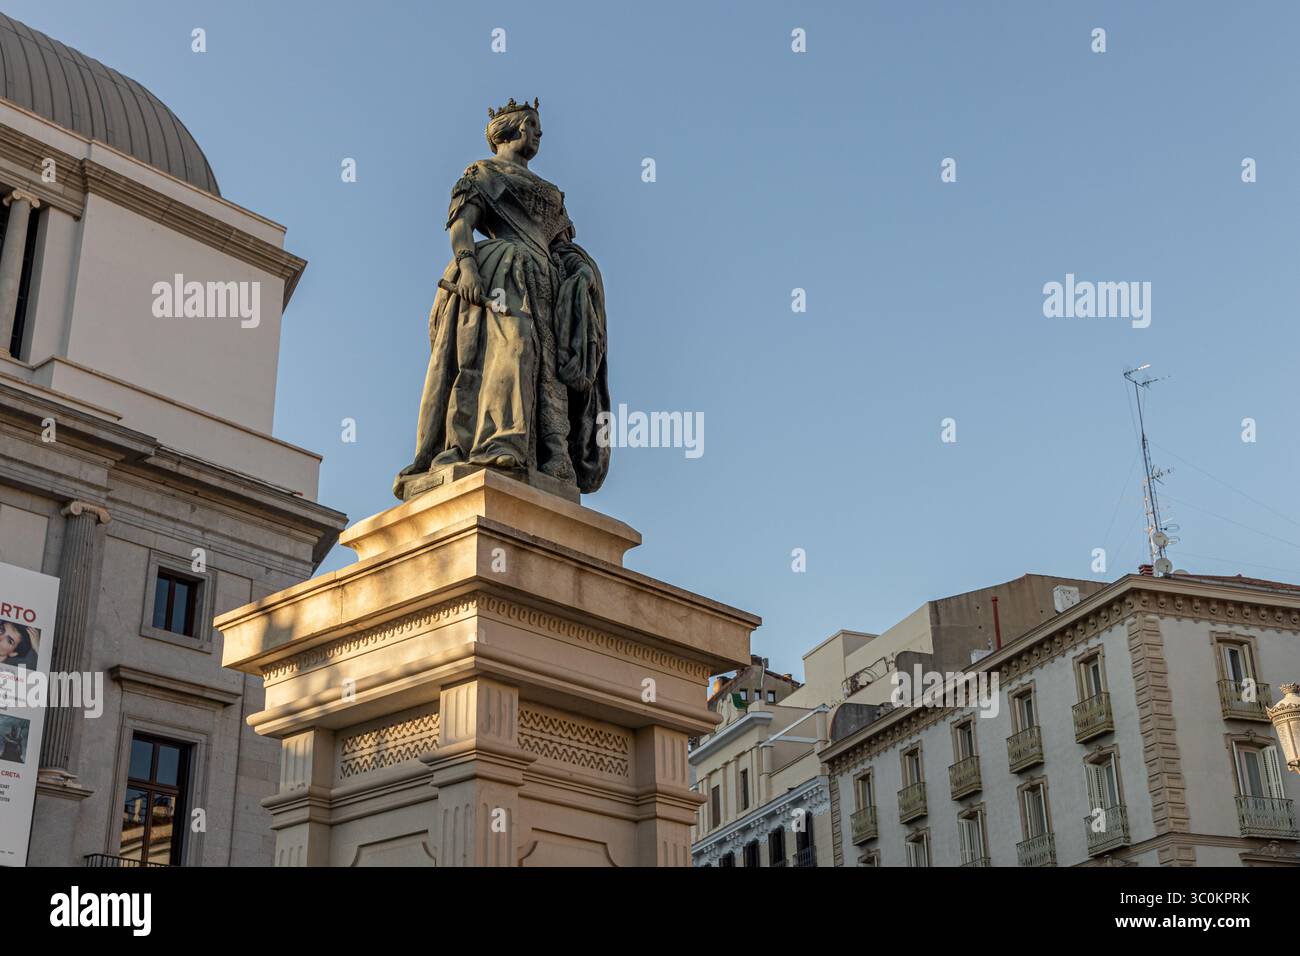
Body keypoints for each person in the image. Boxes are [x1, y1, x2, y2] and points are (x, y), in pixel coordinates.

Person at [394, 98, 610, 497]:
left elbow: (561, 244)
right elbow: (462, 226)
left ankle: (548, 458)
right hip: (500, 272)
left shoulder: (551, 193)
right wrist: (468, 268)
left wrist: (581, 270)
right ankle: (494, 444)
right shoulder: (482, 173)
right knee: (509, 350)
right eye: (532, 125)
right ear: (510, 129)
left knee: (549, 371)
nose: (539, 134)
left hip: (546, 284)